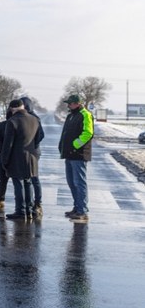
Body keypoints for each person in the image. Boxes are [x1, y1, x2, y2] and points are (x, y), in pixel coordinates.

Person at [0, 99, 42, 222]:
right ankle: (29, 210)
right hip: (32, 156)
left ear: (12, 109)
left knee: (18, 183)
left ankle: (20, 210)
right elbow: (38, 138)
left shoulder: (12, 122)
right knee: (28, 182)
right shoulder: (35, 119)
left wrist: (4, 160)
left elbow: (8, 144)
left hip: (16, 157)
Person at [59, 94, 94, 223]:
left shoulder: (85, 114)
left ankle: (82, 211)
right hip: (69, 154)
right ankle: (77, 207)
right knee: (71, 182)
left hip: (79, 154)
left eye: (70, 103)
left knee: (79, 182)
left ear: (77, 103)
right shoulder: (71, 115)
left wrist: (75, 145)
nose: (68, 105)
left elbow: (88, 133)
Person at [20, 96, 46, 219]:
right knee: (28, 178)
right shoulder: (33, 117)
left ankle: (37, 204)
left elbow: (40, 135)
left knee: (33, 178)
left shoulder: (34, 118)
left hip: (33, 151)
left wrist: (32, 144)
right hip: (33, 150)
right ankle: (30, 204)